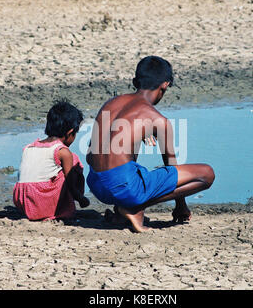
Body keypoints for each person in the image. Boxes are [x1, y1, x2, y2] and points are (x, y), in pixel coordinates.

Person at [86, 56, 215, 232]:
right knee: (206, 174)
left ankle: (122, 208)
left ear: (135, 81)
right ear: (165, 85)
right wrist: (181, 206)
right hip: (124, 189)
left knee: (124, 161)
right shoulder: (157, 120)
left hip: (96, 185)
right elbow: (171, 166)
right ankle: (133, 208)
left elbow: (90, 155)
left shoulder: (111, 104)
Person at [13, 101, 90, 221]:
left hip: (23, 202)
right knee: (74, 163)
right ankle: (63, 209)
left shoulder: (29, 147)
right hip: (41, 203)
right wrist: (81, 199)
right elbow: (70, 183)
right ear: (70, 133)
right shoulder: (62, 151)